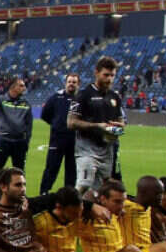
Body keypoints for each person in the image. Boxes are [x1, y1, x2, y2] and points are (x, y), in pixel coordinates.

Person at [68, 56, 125, 192]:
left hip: (107, 149)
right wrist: (97, 126)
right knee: (84, 184)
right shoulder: (83, 95)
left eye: (112, 75)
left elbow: (121, 121)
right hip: (86, 148)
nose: (109, 79)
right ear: (96, 73)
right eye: (106, 75)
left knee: (102, 190)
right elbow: (71, 122)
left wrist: (119, 127)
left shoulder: (115, 97)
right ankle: (71, 205)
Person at [0, 77, 33, 194]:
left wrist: (26, 141)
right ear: (13, 87)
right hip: (3, 140)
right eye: (21, 85)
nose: (24, 88)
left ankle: (20, 192)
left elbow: (29, 125)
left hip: (20, 142)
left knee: (19, 170)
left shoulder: (26, 104)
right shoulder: (2, 100)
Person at [38, 74, 78, 195]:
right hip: (57, 138)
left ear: (78, 84)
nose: (71, 84)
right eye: (69, 81)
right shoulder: (56, 97)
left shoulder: (81, 99)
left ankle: (69, 195)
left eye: (74, 82)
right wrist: (56, 123)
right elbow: (45, 114)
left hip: (75, 140)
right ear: (65, 83)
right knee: (51, 167)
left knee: (72, 170)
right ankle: (44, 192)